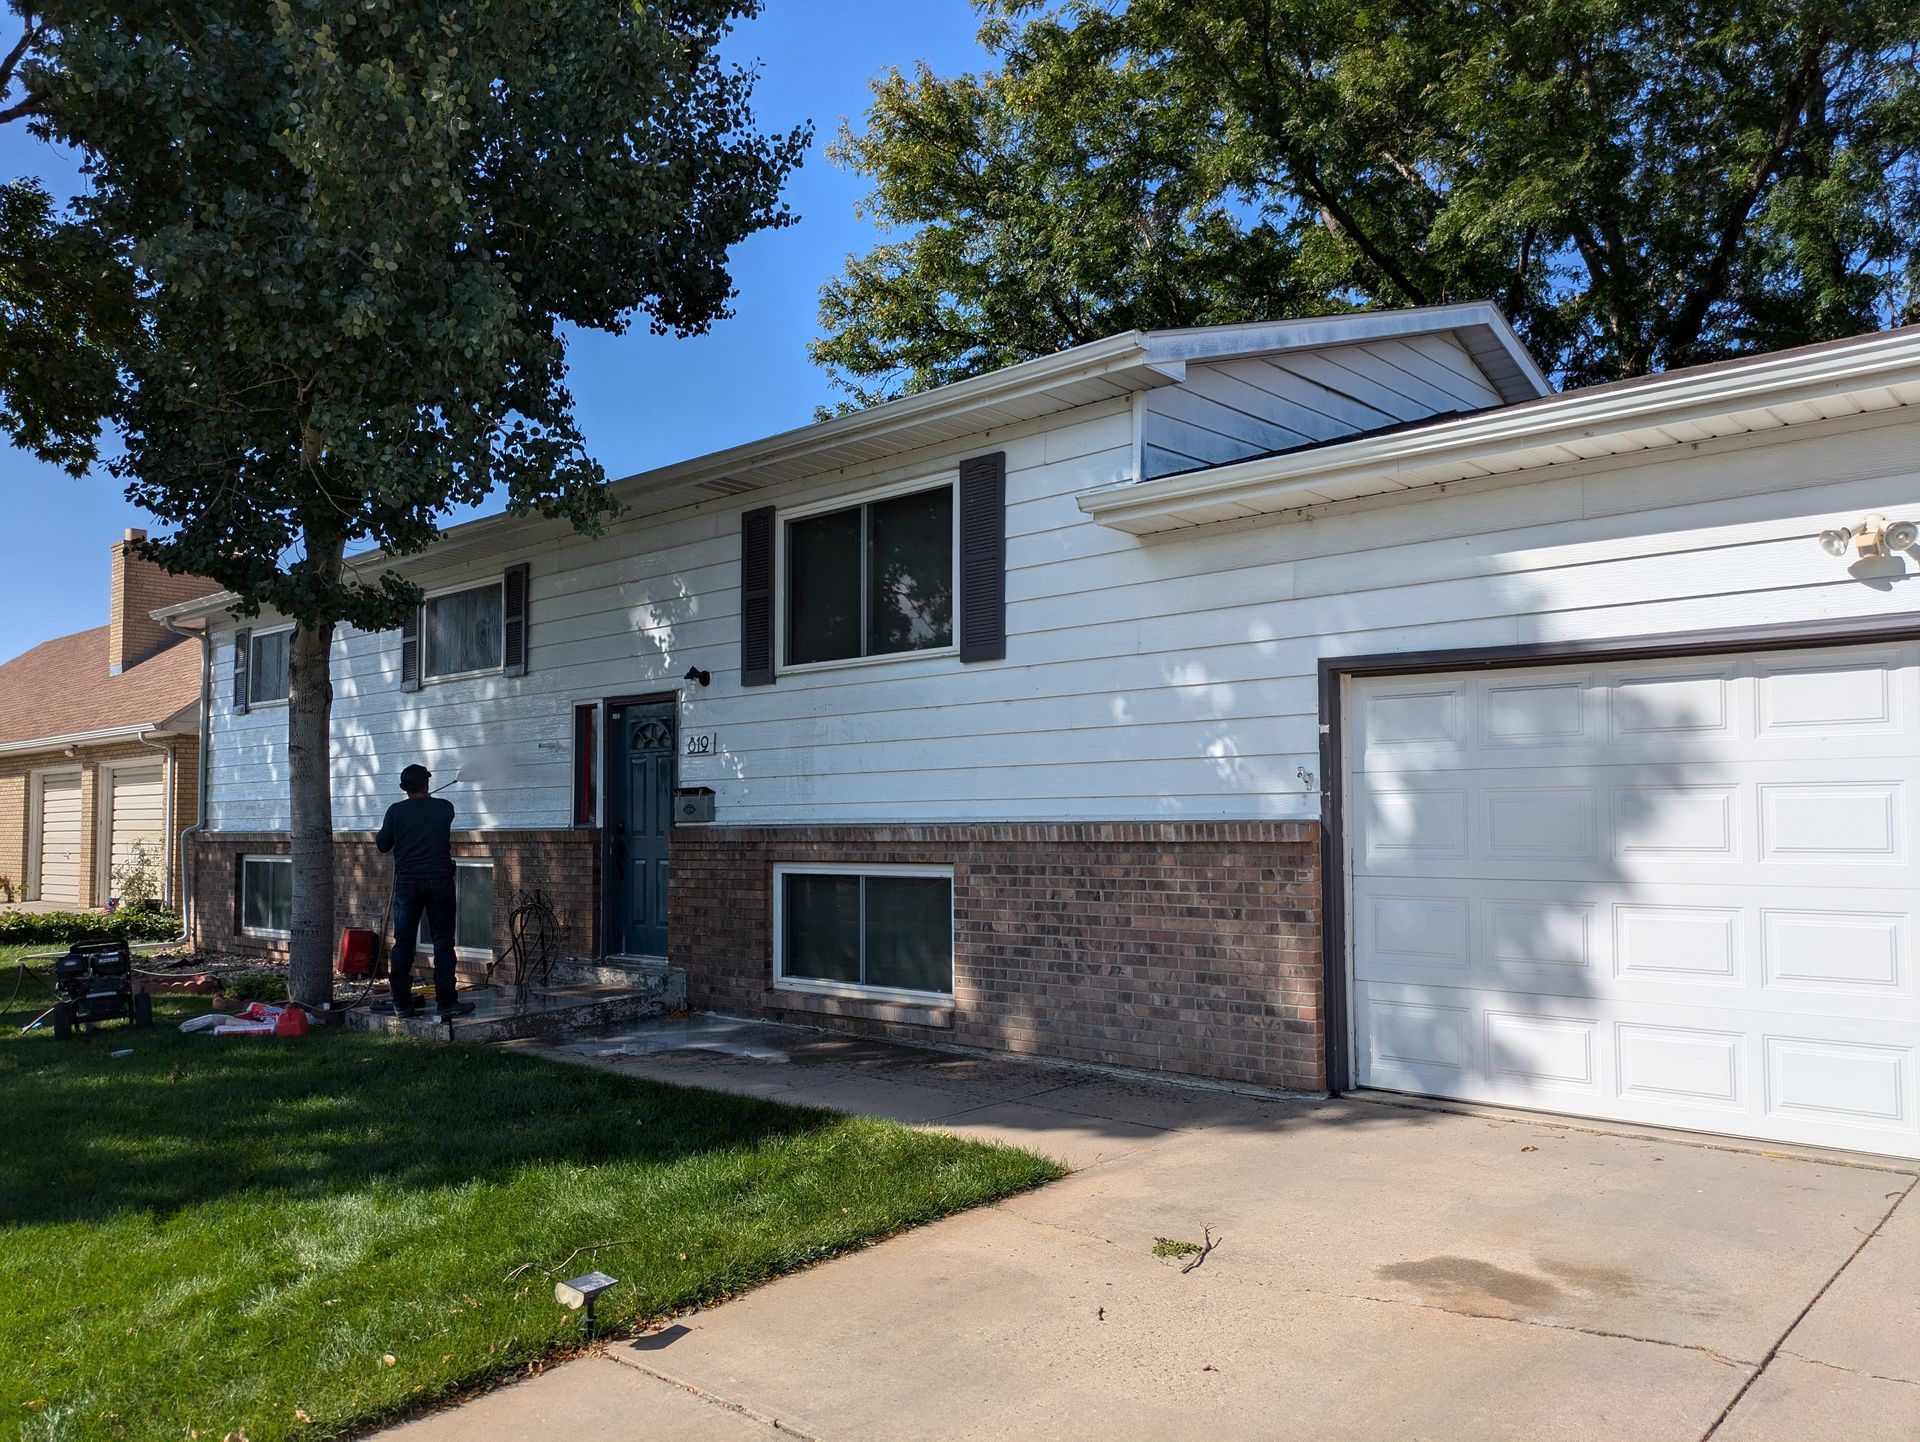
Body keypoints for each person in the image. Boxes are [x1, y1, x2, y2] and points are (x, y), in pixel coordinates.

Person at [375, 763, 473, 1019]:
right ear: (427, 784)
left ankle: (401, 1003)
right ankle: (447, 1003)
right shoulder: (444, 808)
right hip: (440, 881)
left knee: (404, 943)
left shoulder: (395, 812)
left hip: (408, 884)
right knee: (443, 942)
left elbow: (383, 845)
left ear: (403, 788)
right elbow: (435, 815)